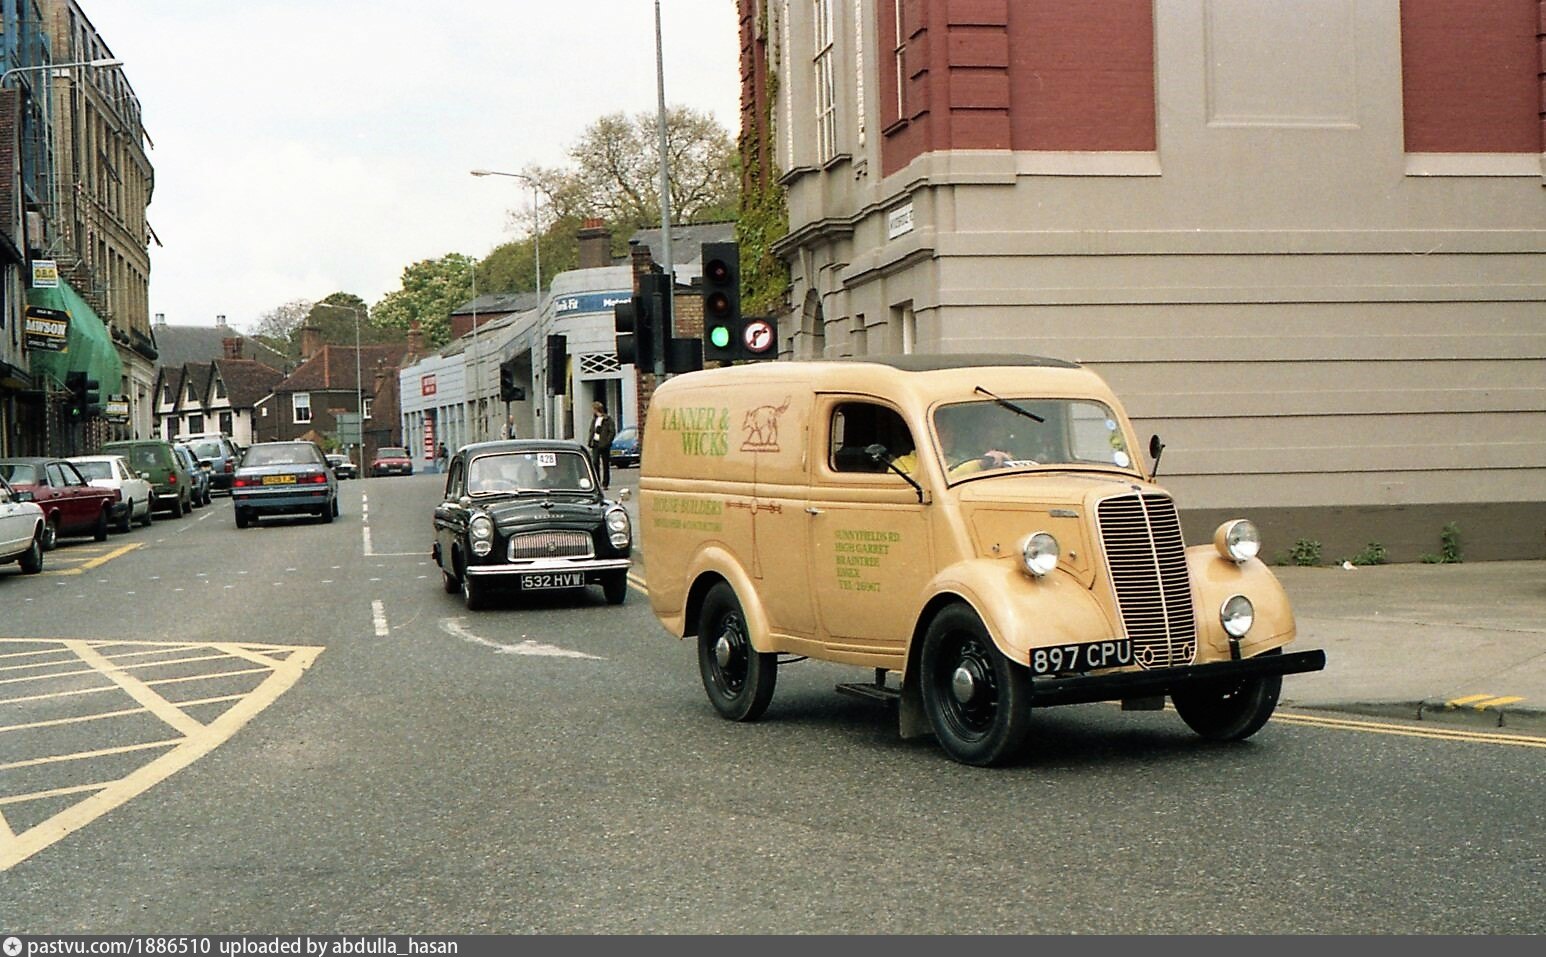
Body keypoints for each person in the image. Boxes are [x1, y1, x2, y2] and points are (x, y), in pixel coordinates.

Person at [588, 400, 616, 489]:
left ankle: (605, 483)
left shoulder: (608, 419)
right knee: (595, 462)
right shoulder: (594, 420)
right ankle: (597, 482)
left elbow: (612, 432)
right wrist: (590, 441)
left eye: (594, 409)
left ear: (597, 409)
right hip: (595, 443)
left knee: (605, 464)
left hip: (604, 444)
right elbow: (591, 431)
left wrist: (607, 442)